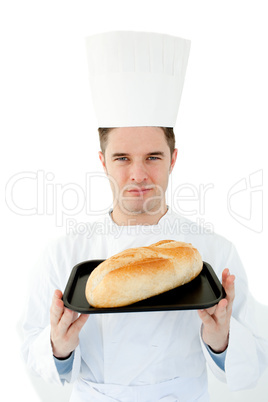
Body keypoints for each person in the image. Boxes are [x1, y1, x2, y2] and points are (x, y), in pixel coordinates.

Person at [22, 31, 268, 401]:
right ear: (102, 161)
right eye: (122, 158)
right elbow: (30, 355)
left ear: (174, 159)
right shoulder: (63, 255)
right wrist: (58, 348)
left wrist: (222, 341)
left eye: (153, 157)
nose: (138, 174)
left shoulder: (214, 253)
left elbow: (255, 366)